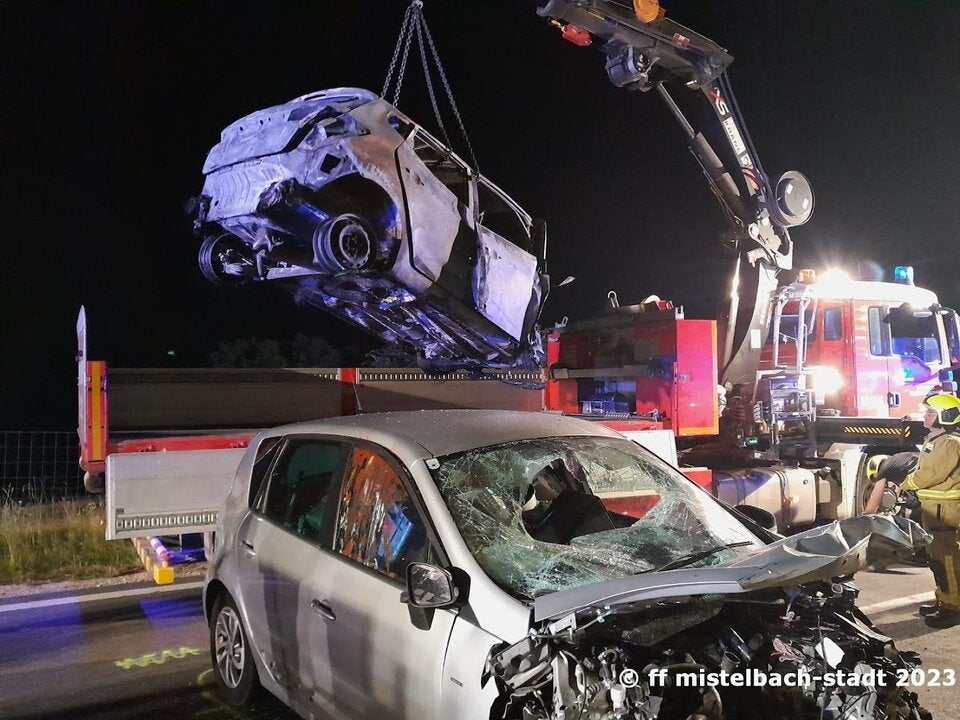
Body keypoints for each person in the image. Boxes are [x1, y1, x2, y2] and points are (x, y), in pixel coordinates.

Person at [899, 392, 960, 627]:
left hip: (944, 510)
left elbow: (930, 474)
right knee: (936, 557)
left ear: (945, 416)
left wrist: (904, 484)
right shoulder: (936, 438)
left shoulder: (949, 443)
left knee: (947, 559)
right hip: (934, 508)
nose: (925, 416)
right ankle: (943, 599)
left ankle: (953, 608)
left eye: (930, 412)